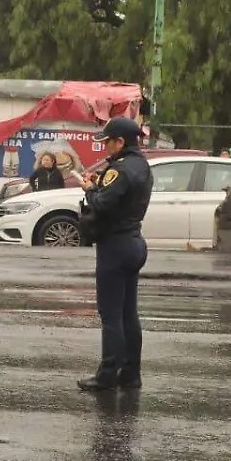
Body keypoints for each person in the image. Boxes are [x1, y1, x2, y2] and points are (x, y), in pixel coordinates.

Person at [77, 116, 153, 391]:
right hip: (134, 241)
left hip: (115, 246)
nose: (104, 147)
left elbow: (104, 203)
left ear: (120, 141)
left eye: (107, 142)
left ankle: (107, 373)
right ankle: (131, 373)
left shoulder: (119, 170)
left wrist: (90, 190)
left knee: (110, 315)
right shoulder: (142, 165)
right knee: (128, 313)